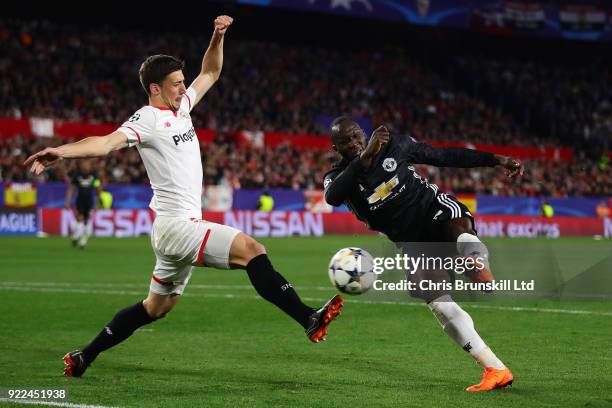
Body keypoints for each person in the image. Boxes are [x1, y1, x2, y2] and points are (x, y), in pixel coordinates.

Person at [24, 16, 343, 378]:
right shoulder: (147, 118)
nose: (182, 88)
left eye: (181, 82)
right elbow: (106, 143)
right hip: (177, 226)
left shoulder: (182, 108)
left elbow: (210, 73)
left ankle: (84, 357)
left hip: (171, 231)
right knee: (253, 250)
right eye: (175, 84)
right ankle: (308, 317)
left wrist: (217, 36)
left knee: (154, 309)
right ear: (155, 88)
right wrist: (61, 153)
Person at [323, 117, 524, 392]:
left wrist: (496, 159)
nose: (354, 143)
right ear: (336, 148)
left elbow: (443, 155)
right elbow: (332, 197)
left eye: (357, 135)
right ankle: (496, 369)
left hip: (433, 210)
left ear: (364, 133)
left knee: (458, 230)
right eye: (345, 141)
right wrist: (364, 159)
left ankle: (476, 263)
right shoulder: (337, 177)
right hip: (412, 242)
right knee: (440, 304)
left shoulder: (394, 145)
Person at [64, 159, 100, 249]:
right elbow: (71, 188)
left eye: (87, 163)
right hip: (80, 200)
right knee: (79, 218)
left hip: (90, 201)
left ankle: (83, 241)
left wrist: (101, 199)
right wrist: (67, 201)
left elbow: (97, 186)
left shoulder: (94, 175)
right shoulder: (77, 174)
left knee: (86, 221)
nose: (85, 165)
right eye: (84, 163)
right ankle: (76, 236)